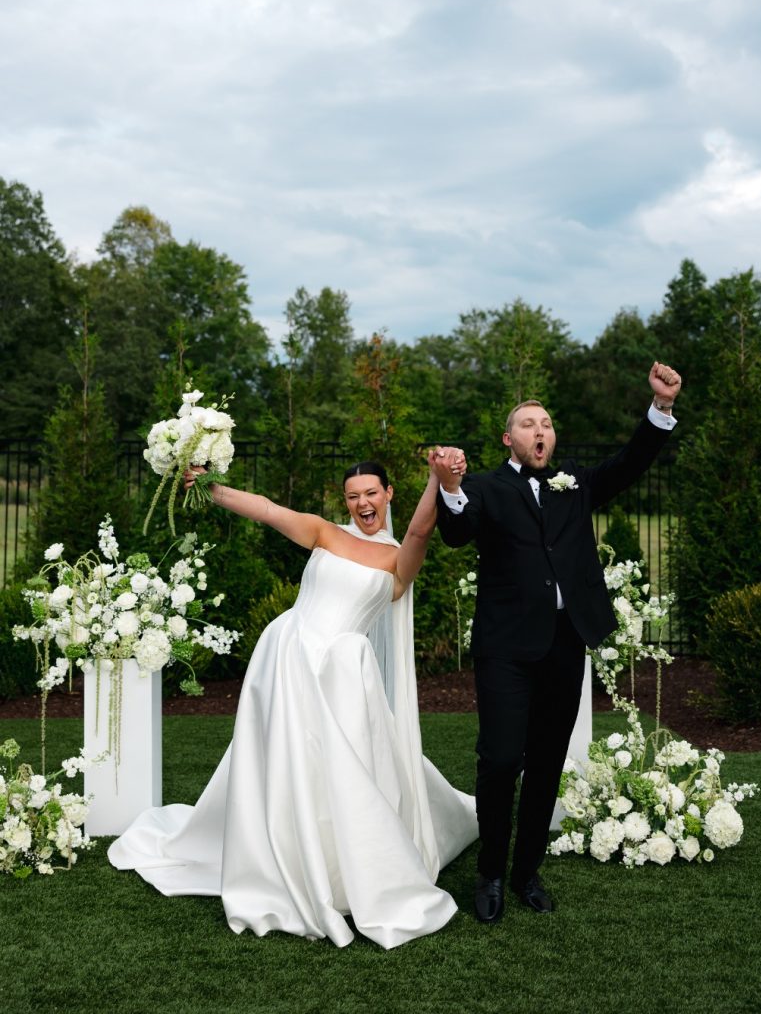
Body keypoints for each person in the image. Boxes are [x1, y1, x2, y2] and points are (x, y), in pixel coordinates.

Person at [108, 452, 478, 950]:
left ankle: (342, 872)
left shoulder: (395, 560)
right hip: (287, 659)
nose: (362, 502)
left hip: (344, 675)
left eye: (371, 493)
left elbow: (417, 536)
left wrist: (438, 481)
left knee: (346, 773)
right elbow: (265, 508)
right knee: (286, 767)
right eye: (353, 496)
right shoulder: (326, 533)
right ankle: (281, 861)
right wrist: (208, 486)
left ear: (388, 495)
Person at [431, 361, 682, 924]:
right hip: (506, 650)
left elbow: (629, 464)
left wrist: (660, 409)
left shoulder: (574, 482)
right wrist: (449, 485)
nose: (540, 430)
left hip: (567, 644)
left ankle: (526, 873)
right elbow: (455, 531)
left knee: (547, 763)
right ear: (508, 438)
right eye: (528, 423)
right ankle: (491, 874)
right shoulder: (486, 487)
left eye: (546, 423)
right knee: (500, 761)